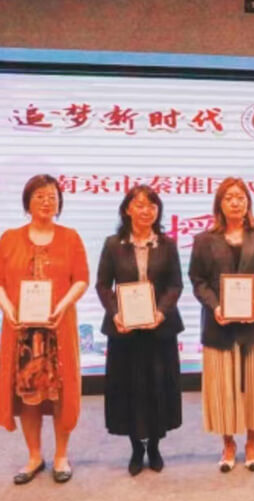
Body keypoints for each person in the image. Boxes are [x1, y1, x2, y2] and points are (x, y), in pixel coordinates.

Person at [0, 174, 89, 484]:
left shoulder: (70, 237)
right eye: (40, 196)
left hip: (57, 329)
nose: (47, 202)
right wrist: (9, 310)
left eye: (52, 197)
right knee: (27, 394)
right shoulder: (9, 238)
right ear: (27, 203)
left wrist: (63, 306)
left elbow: (81, 279)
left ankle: (61, 455)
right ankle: (34, 456)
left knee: (60, 394)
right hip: (22, 333)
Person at [188, 177, 254, 472]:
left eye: (240, 197)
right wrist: (215, 306)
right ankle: (228, 444)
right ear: (219, 204)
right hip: (219, 325)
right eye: (228, 198)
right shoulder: (204, 240)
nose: (235, 203)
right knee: (223, 389)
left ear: (248, 202)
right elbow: (197, 281)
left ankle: (252, 443)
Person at [96, 185, 184, 475]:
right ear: (127, 210)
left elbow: (175, 285)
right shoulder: (113, 244)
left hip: (159, 329)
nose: (146, 210)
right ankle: (136, 448)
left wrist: (160, 312)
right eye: (140, 205)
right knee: (130, 389)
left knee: (158, 388)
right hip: (125, 331)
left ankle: (155, 446)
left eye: (152, 205)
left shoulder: (167, 245)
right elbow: (102, 285)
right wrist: (116, 313)